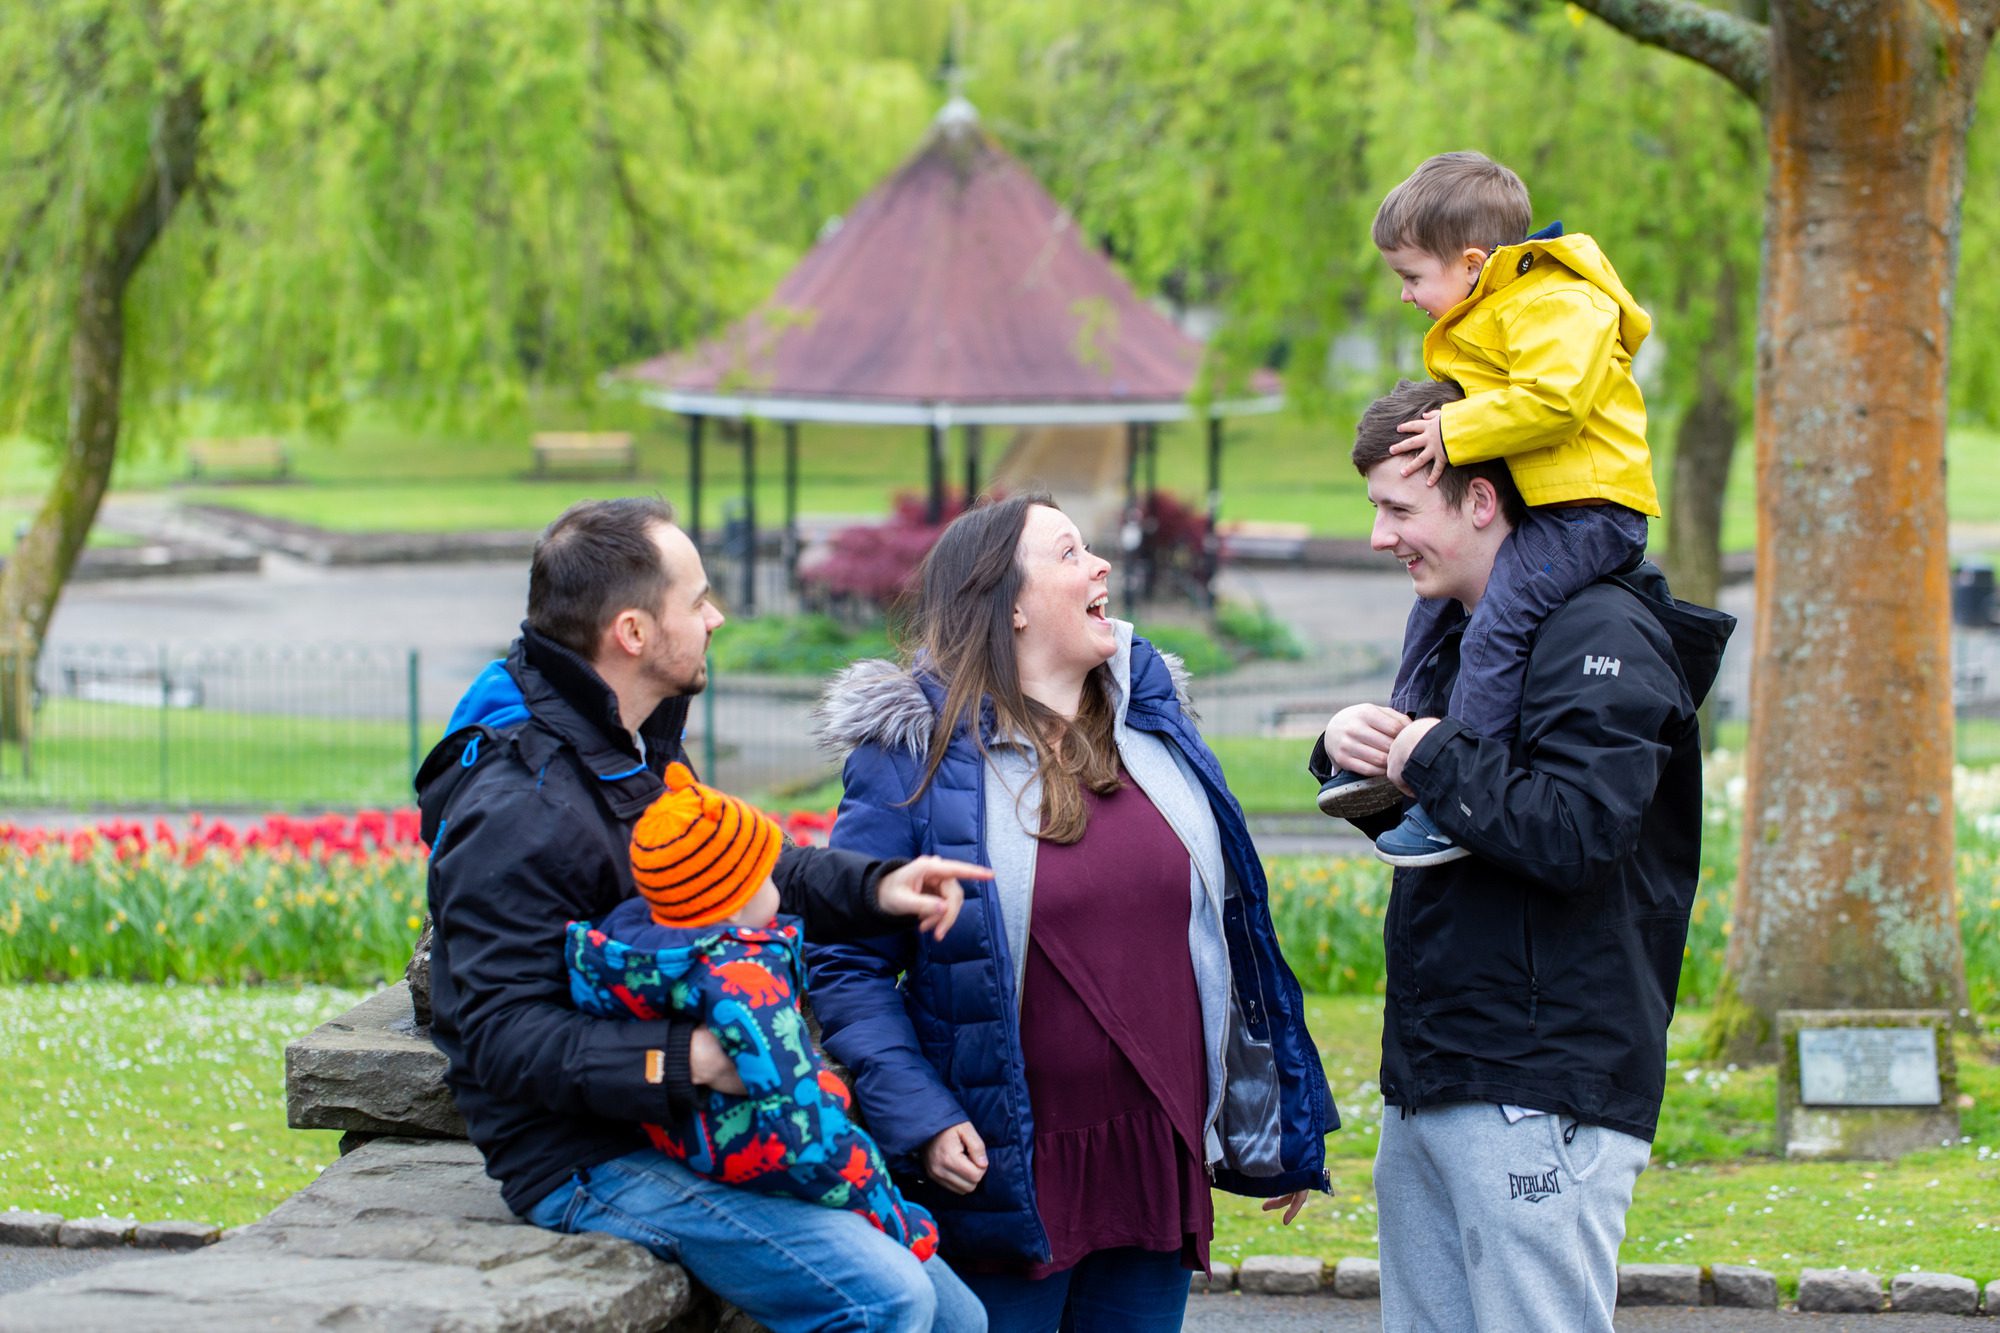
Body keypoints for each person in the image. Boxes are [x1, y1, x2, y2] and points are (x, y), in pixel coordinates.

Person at [415, 496, 990, 1333]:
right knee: (888, 1296)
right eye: (698, 600)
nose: (717, 617)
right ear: (633, 632)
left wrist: (878, 886)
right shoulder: (518, 801)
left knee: (959, 1317)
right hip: (587, 1156)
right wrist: (691, 1059)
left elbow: (740, 871)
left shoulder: (631, 742)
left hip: (691, 1124)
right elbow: (502, 1036)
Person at [809, 493, 1333, 1333]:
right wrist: (921, 1114)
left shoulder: (1152, 728)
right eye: (1069, 553)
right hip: (1003, 1169)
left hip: (1153, 1155)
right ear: (1009, 603)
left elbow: (1231, 933)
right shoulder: (914, 754)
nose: (1102, 568)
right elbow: (846, 963)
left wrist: (1272, 1116)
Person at [1313, 380, 1733, 1333]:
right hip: (1440, 1075)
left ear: (1482, 501)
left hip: (1540, 1090)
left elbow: (1580, 832)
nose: (1381, 536)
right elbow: (1458, 836)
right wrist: (1352, 750)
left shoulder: (1600, 632)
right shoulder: (1467, 638)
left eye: (1397, 507)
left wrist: (1433, 753)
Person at [1318, 149, 1660, 868]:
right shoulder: (1490, 315)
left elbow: (1555, 400)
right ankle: (1399, 742)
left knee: (1499, 622)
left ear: (1472, 263)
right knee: (1437, 612)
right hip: (1549, 500)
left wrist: (1454, 430)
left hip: (1589, 509)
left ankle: (1449, 779)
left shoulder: (1556, 304)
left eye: (1413, 276)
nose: (1406, 296)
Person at [565, 761, 941, 1259]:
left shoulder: (626, 949)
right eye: (767, 874)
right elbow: (802, 1126)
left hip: (675, 1129)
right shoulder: (743, 980)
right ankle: (902, 1230)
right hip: (742, 1142)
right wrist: (887, 1209)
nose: (779, 883)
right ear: (736, 903)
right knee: (850, 1150)